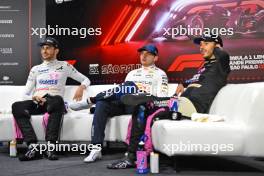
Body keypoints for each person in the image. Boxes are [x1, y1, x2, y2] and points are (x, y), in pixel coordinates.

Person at [107, 34, 231, 169]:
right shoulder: (206, 67)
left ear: (217, 46)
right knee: (143, 106)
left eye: (206, 44)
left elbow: (223, 55)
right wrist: (184, 83)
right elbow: (200, 80)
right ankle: (145, 102)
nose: (201, 47)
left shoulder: (221, 63)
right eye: (200, 45)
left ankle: (131, 158)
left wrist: (217, 47)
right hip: (181, 102)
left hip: (191, 106)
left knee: (143, 105)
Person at [69, 44, 168, 163]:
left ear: (156, 58)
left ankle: (91, 100)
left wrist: (140, 92)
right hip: (125, 103)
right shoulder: (132, 73)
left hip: (141, 105)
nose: (144, 56)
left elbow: (161, 97)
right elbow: (122, 93)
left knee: (129, 86)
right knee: (102, 104)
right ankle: (96, 148)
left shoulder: (160, 74)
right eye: (142, 53)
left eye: (148, 54)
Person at [12, 37, 91, 161]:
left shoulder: (64, 66)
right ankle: (32, 147)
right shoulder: (35, 69)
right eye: (43, 48)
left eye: (48, 48)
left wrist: (81, 87)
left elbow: (86, 79)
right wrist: (34, 97)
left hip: (53, 102)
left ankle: (50, 147)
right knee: (17, 106)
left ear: (56, 50)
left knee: (58, 99)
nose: (44, 51)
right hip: (37, 101)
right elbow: (25, 94)